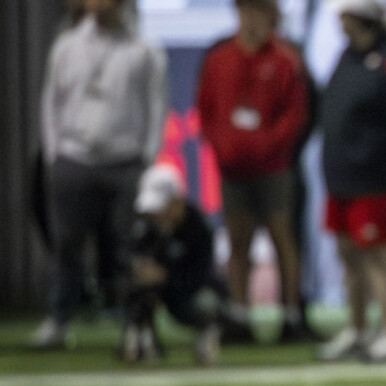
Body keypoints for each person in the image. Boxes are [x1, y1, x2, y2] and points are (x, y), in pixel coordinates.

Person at [34, 0, 166, 350]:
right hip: (73, 159)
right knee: (68, 245)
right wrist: (56, 154)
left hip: (125, 162)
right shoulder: (67, 47)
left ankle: (130, 320)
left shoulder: (144, 51)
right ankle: (59, 319)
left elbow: (156, 109)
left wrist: (144, 160)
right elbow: (52, 104)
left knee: (126, 245)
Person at [196, 0, 316, 344]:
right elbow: (207, 108)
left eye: (261, 12)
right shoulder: (219, 58)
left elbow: (296, 113)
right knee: (238, 240)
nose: (254, 19)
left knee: (282, 236)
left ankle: (291, 314)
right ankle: (240, 313)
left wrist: (269, 145)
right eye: (249, 11)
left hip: (274, 167)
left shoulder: (284, 59)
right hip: (233, 167)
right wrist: (223, 146)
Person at [317, 0, 386, 362]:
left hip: (378, 175)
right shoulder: (346, 58)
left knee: (383, 253)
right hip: (343, 175)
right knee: (349, 253)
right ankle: (358, 328)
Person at [122, 164, 245, 366]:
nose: (156, 215)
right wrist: (138, 269)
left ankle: (208, 336)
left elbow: (199, 273)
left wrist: (165, 276)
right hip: (156, 289)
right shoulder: (145, 227)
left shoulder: (198, 229)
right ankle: (140, 339)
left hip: (187, 291)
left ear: (176, 201)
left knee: (208, 302)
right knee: (135, 293)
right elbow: (128, 256)